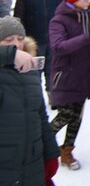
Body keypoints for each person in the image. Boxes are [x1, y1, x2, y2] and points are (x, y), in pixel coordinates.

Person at [0, 16, 60, 186]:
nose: (16, 44)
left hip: (32, 162)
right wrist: (7, 55)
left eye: (20, 39)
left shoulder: (29, 72)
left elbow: (40, 116)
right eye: (8, 40)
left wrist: (50, 153)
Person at [48, 0, 90, 170]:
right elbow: (58, 46)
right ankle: (39, 141)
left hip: (83, 74)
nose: (88, 1)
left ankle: (67, 150)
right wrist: (86, 38)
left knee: (77, 117)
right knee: (65, 115)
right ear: (73, 0)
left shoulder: (86, 15)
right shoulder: (59, 20)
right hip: (66, 75)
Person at [13, 0, 65, 90]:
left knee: (52, 68)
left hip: (54, 38)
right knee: (34, 70)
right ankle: (35, 94)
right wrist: (21, 37)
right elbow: (19, 17)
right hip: (33, 39)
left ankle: (52, 94)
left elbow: (63, 14)